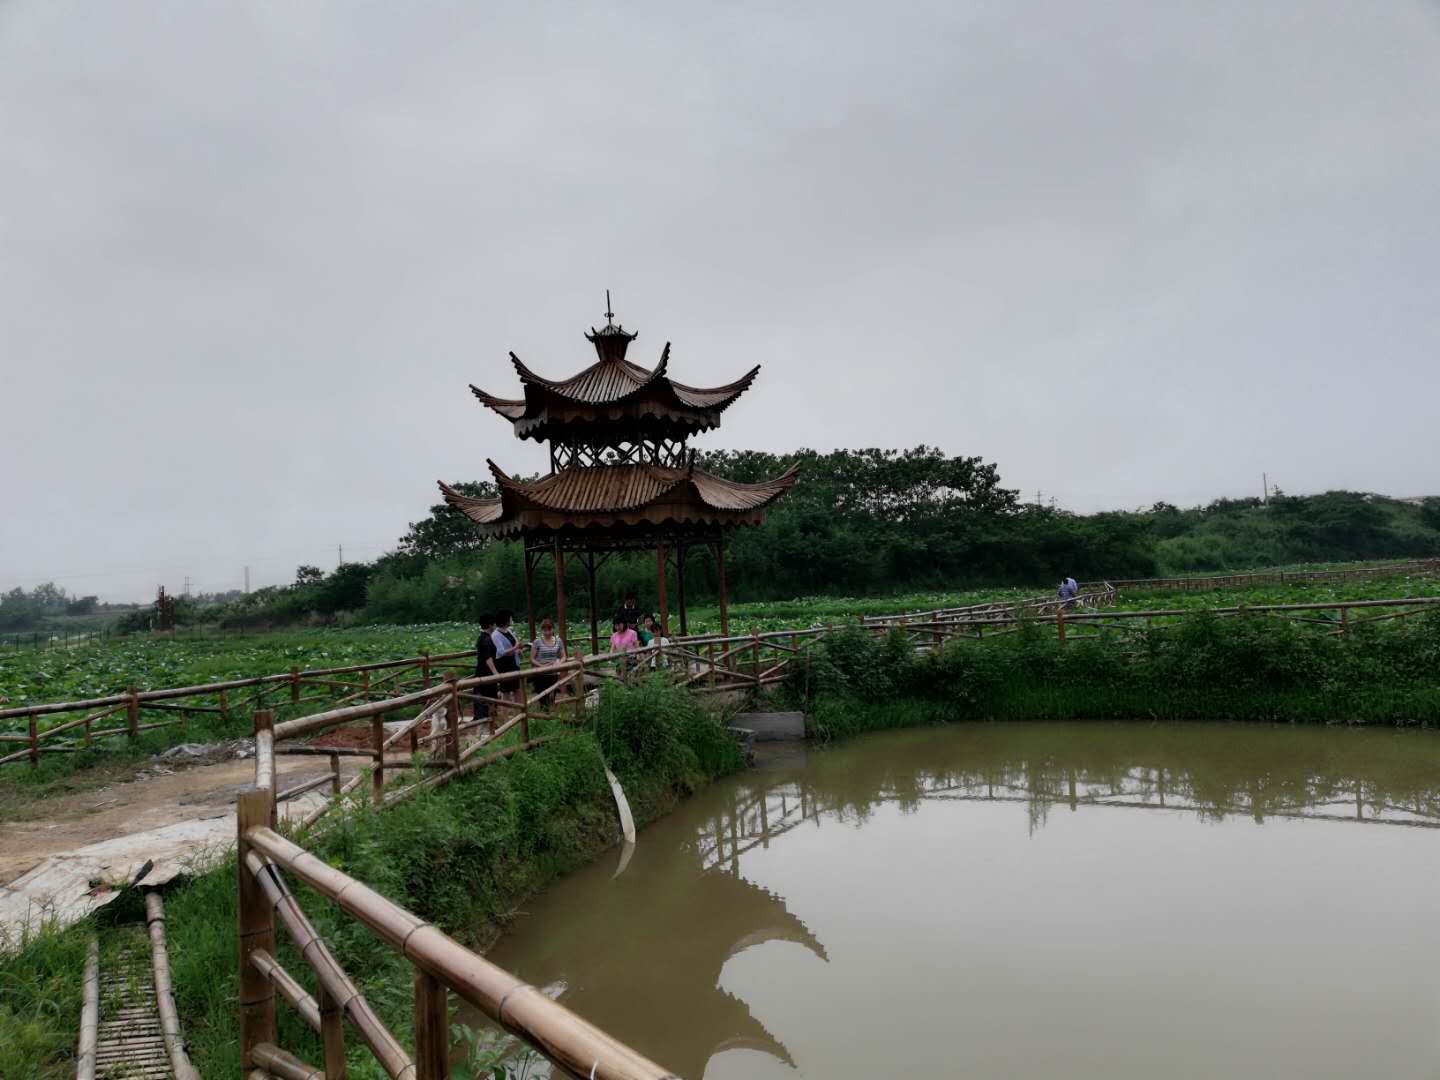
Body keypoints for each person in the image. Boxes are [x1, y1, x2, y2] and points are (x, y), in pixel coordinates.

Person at [530, 617, 566, 708]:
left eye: (549, 630)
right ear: (542, 630)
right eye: (544, 630)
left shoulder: (558, 641)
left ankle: (551, 717)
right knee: (542, 698)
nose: (547, 633)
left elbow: (563, 656)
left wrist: (558, 664)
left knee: (552, 696)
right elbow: (532, 659)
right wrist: (542, 666)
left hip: (553, 673)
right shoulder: (537, 642)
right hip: (540, 674)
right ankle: (544, 716)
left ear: (553, 629)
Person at [492, 609, 524, 702]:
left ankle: (519, 713)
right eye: (510, 618)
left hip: (513, 663)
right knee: (505, 691)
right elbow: (501, 652)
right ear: (505, 620)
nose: (511, 619)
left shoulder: (509, 631)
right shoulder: (496, 635)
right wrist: (515, 648)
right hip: (504, 665)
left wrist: (519, 648)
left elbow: (515, 644)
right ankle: (505, 715)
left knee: (517, 689)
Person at [474, 611, 497, 721]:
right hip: (486, 671)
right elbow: (488, 658)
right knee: (487, 695)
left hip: (482, 670)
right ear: (490, 625)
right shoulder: (486, 639)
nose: (494, 626)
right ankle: (486, 719)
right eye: (493, 624)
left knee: (484, 695)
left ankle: (487, 717)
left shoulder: (483, 637)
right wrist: (495, 672)